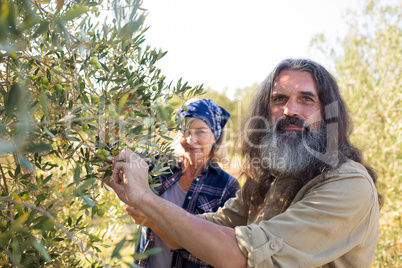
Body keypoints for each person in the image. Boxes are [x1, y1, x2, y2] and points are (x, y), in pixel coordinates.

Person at [104, 59, 381, 268]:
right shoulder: (271, 180)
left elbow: (240, 254)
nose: (290, 110)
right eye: (279, 99)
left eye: (306, 99)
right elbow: (190, 234)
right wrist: (141, 200)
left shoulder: (348, 185)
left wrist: (147, 200)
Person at [125, 98, 240, 267]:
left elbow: (214, 254)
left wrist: (153, 222)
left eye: (200, 131)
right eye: (185, 131)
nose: (190, 139)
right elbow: (117, 157)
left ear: (215, 136)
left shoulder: (226, 187)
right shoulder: (160, 166)